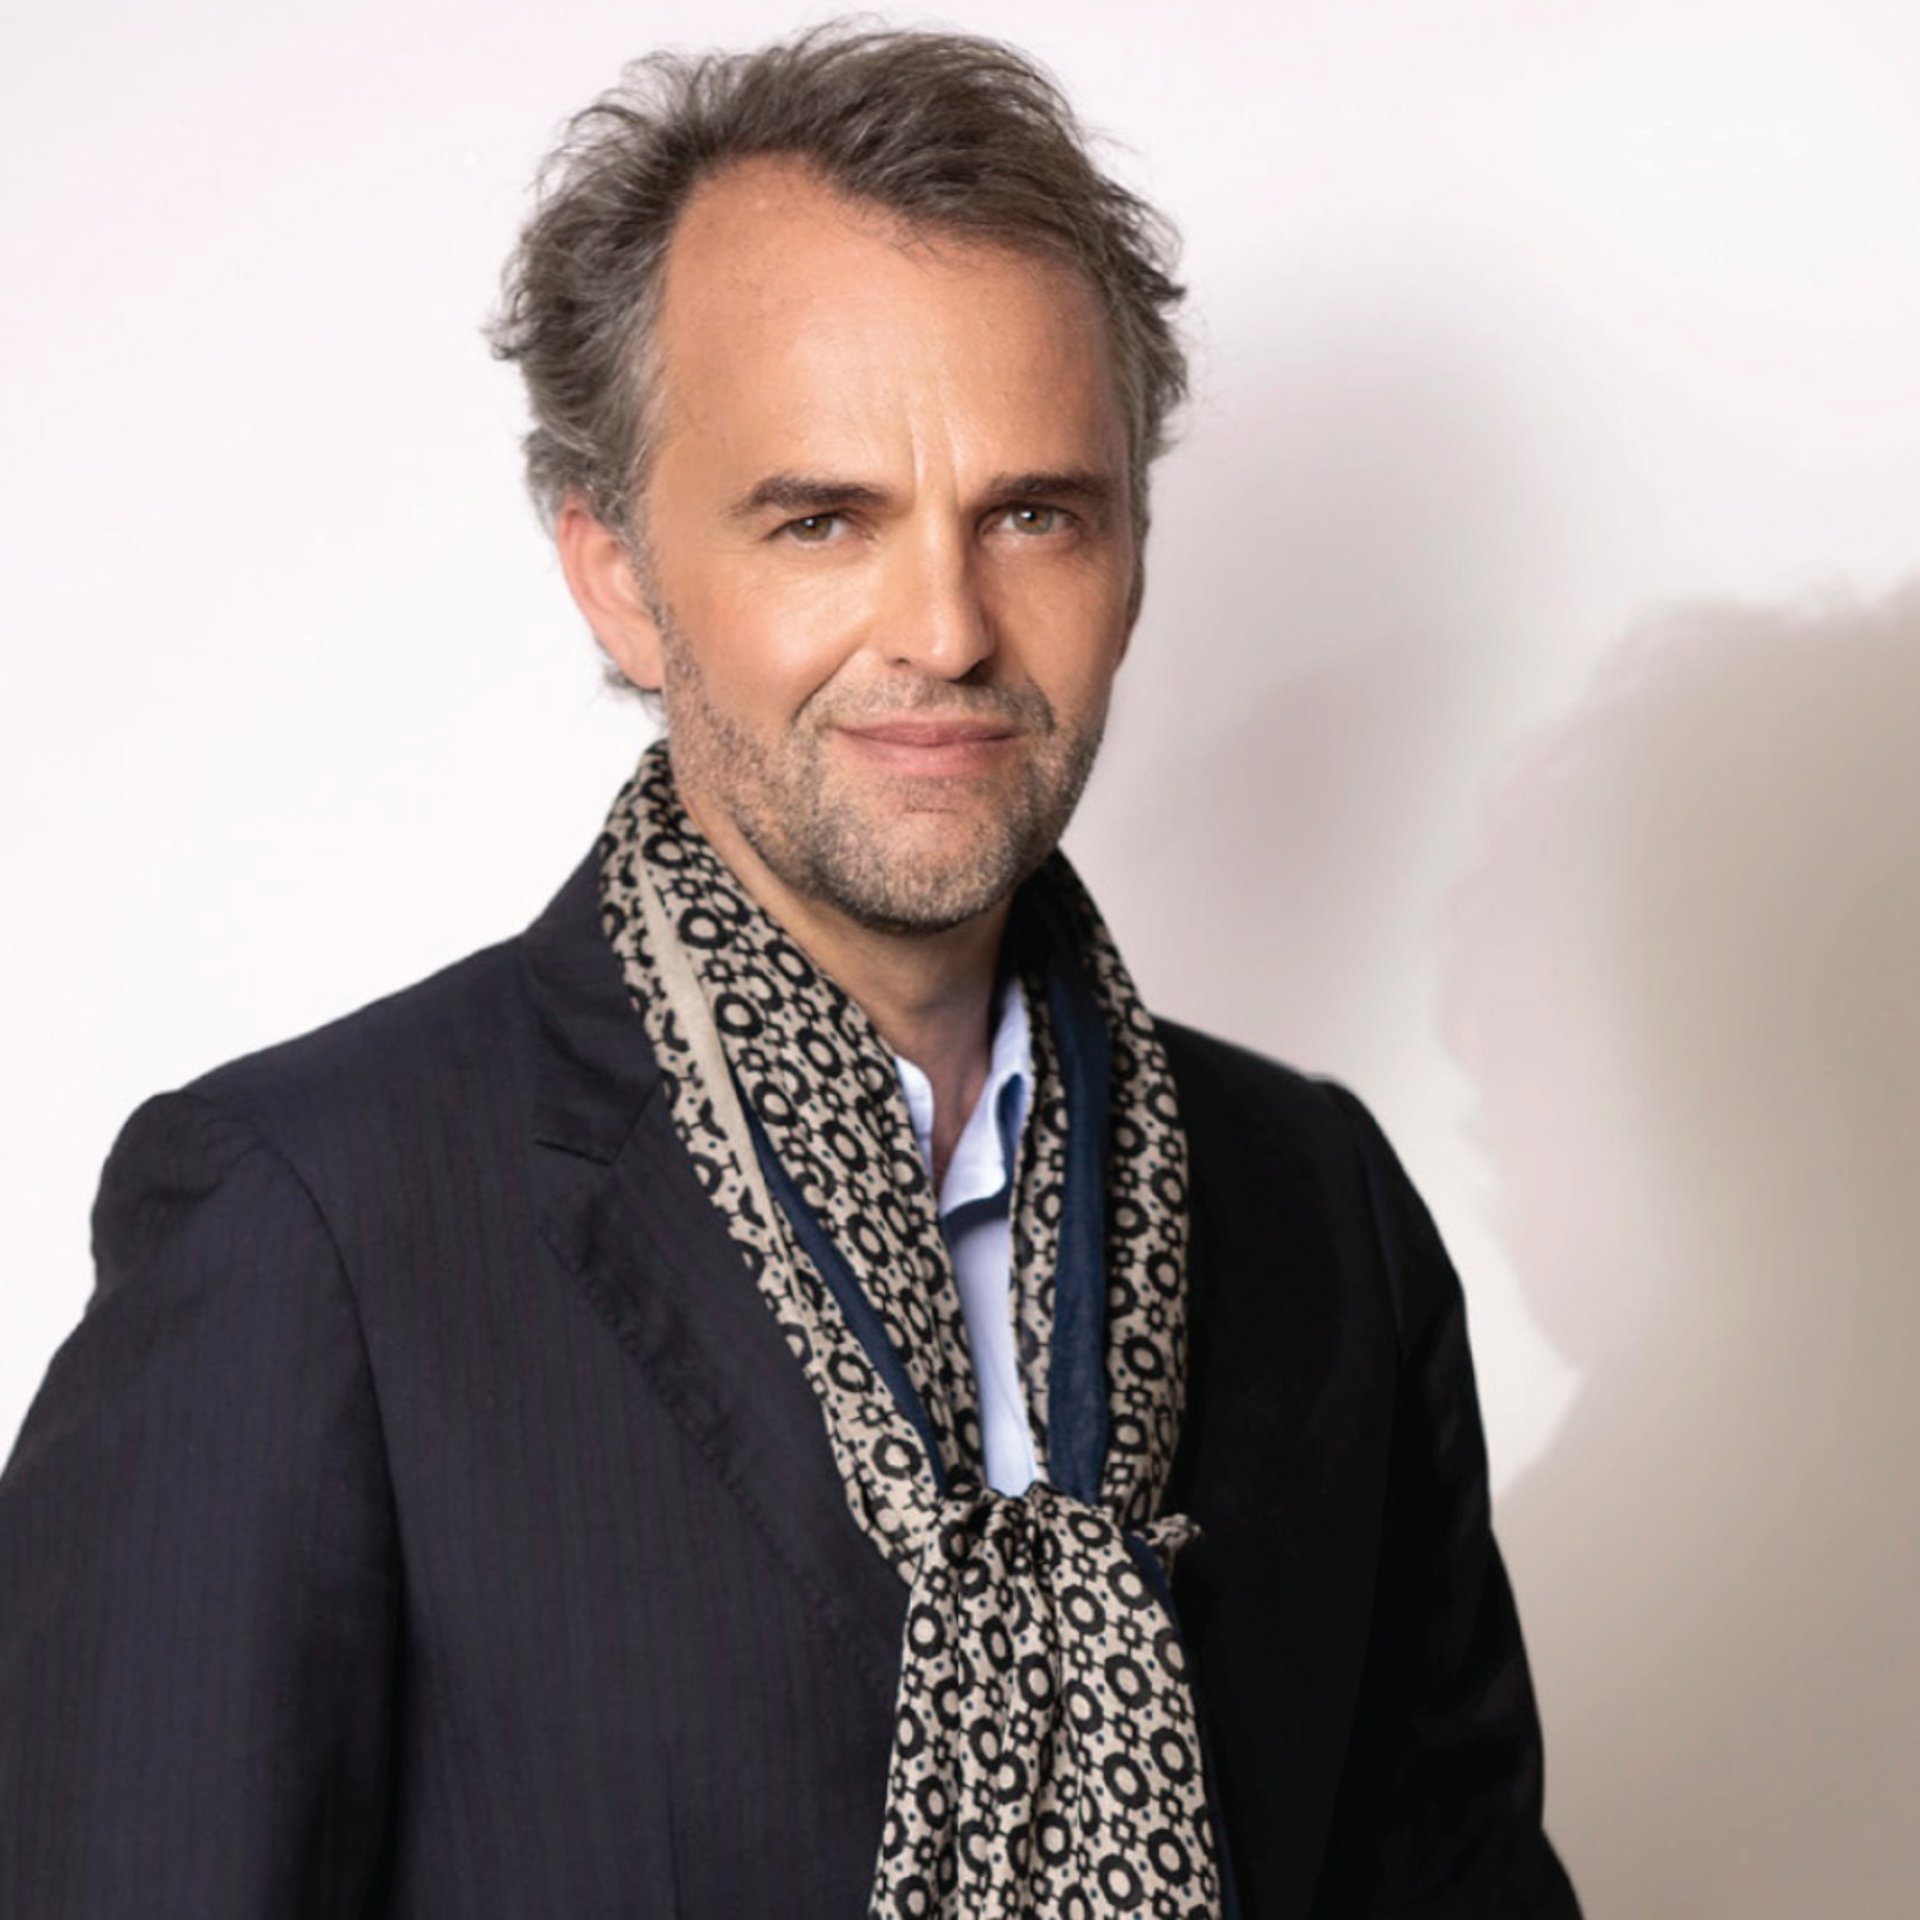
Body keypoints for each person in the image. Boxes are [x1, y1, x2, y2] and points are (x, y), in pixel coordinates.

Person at [0, 23, 1579, 1918]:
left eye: (1035, 514)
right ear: (615, 571)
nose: (948, 626)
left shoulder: (1318, 1209)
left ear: (1135, 556)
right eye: (823, 519)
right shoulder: (308, 1226)